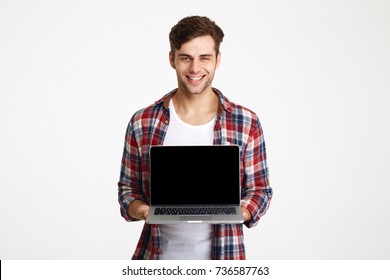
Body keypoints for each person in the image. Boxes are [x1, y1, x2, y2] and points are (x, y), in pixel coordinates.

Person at [118, 15, 272, 260]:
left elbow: (260, 191)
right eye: (186, 58)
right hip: (157, 259)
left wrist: (239, 212)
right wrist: (142, 210)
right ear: (172, 59)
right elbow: (128, 190)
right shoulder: (142, 121)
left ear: (217, 60)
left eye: (204, 58)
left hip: (225, 260)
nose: (195, 68)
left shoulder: (246, 122)